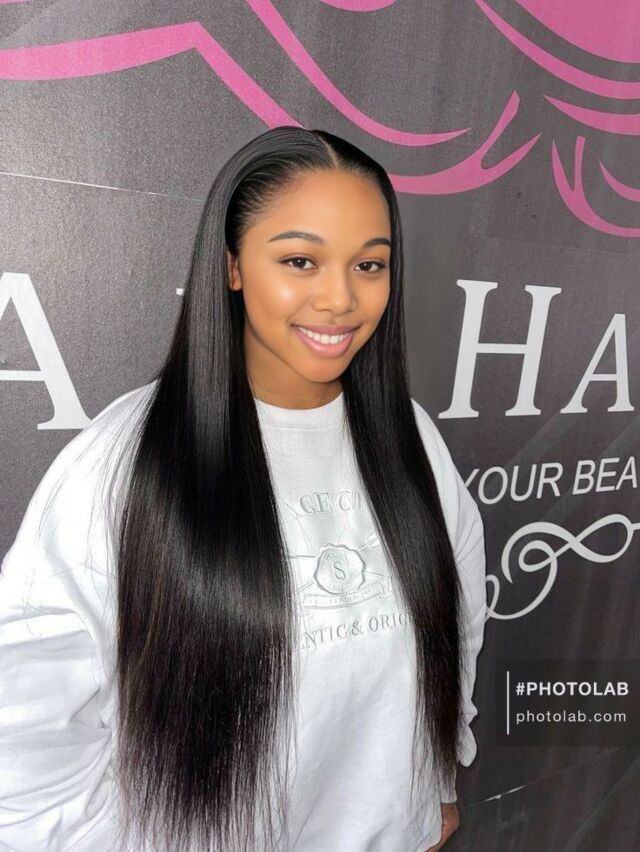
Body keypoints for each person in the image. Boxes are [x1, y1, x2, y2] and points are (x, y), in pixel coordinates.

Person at [0, 126, 487, 852]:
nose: (340, 298)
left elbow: (457, 620)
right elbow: (25, 734)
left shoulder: (409, 436)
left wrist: (436, 777)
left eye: (369, 264)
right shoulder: (126, 460)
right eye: (300, 260)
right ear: (232, 267)